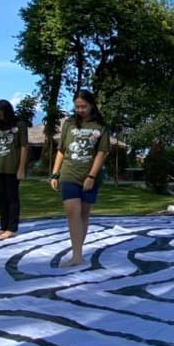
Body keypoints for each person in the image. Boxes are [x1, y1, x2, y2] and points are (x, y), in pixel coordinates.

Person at [49, 90, 110, 267]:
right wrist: (55, 173)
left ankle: (78, 251)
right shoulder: (69, 124)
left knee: (84, 213)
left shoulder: (101, 126)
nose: (80, 110)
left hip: (90, 175)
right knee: (72, 212)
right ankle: (76, 255)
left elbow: (102, 153)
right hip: (69, 173)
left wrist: (91, 176)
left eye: (84, 106)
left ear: (92, 105)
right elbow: (61, 150)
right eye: (77, 106)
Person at [0, 99, 29, 239]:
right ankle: (3, 226)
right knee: (1, 198)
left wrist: (21, 168)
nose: (0, 115)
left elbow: (24, 146)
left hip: (13, 168)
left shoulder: (19, 125)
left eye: (2, 112)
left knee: (12, 198)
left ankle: (12, 228)